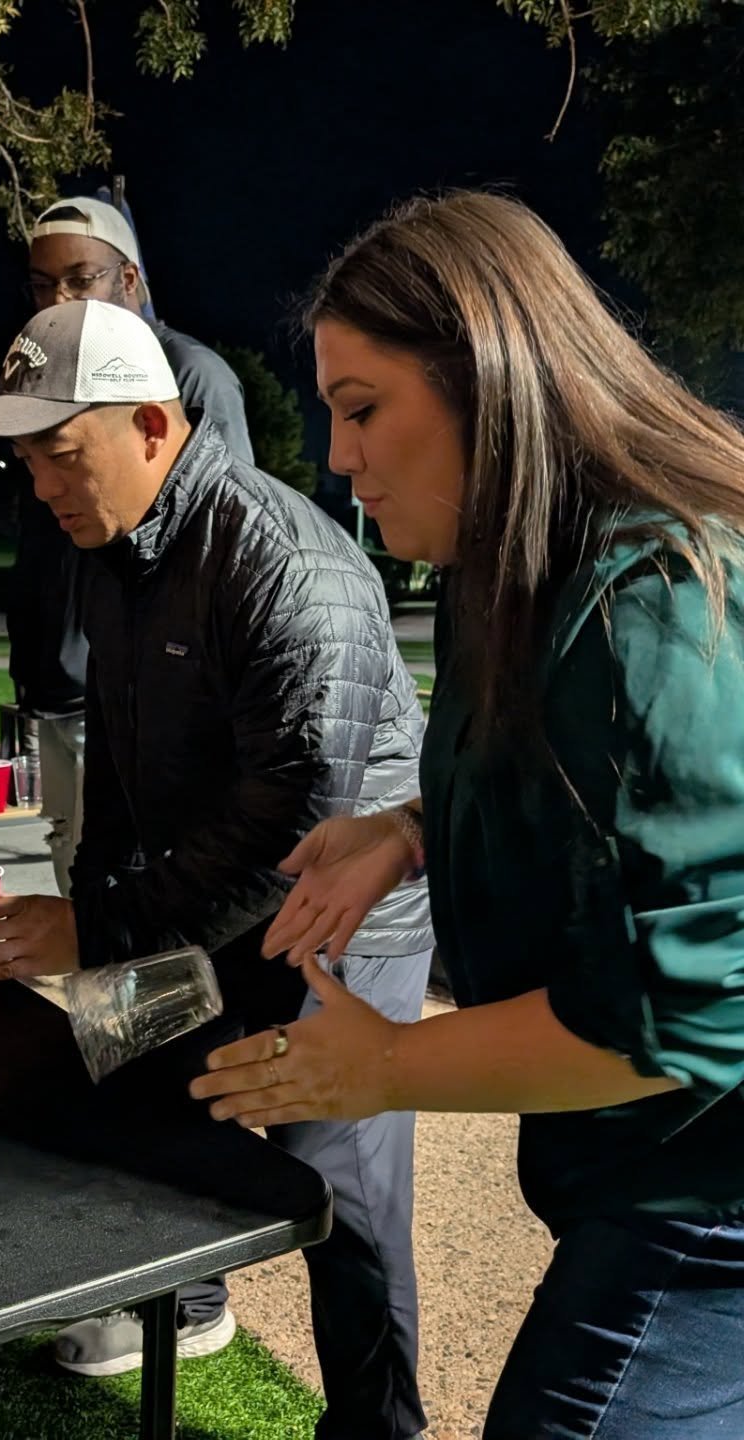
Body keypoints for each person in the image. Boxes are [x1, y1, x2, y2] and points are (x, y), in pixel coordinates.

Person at [191, 190, 744, 1438]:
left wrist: (384, 1065)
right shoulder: (506, 566)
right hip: (641, 1171)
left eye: (362, 408)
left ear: (493, 379)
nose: (338, 459)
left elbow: (686, 1015)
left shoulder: (649, 602)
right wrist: (406, 829)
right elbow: (566, 779)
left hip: (708, 1196)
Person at [0, 299, 432, 1439]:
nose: (44, 486)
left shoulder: (281, 561)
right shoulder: (112, 552)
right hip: (210, 911)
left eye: (62, 454)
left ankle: (379, 1431)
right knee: (152, 1106)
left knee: (342, 1212)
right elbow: (115, 764)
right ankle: (194, 1303)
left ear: (155, 426)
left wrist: (100, 929)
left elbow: (293, 824)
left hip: (341, 936)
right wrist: (91, 909)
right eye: (27, 461)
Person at [11, 196, 257, 895]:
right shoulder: (45, 370)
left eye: (79, 278)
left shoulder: (191, 375)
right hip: (67, 682)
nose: (57, 299)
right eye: (40, 284)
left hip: (140, 692)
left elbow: (225, 543)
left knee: (146, 888)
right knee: (78, 863)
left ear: (130, 281)